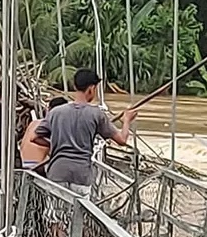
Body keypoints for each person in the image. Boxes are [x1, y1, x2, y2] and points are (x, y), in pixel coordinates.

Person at [33, 68, 137, 197]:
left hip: (57, 171)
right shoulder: (97, 114)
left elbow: (35, 137)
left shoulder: (56, 112)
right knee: (79, 214)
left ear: (75, 86)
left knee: (55, 215)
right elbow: (122, 140)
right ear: (91, 89)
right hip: (81, 174)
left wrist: (55, 147)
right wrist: (126, 120)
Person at [20, 96, 68, 169]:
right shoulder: (51, 124)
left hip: (22, 162)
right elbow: (34, 138)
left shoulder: (34, 123)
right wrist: (55, 145)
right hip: (35, 165)